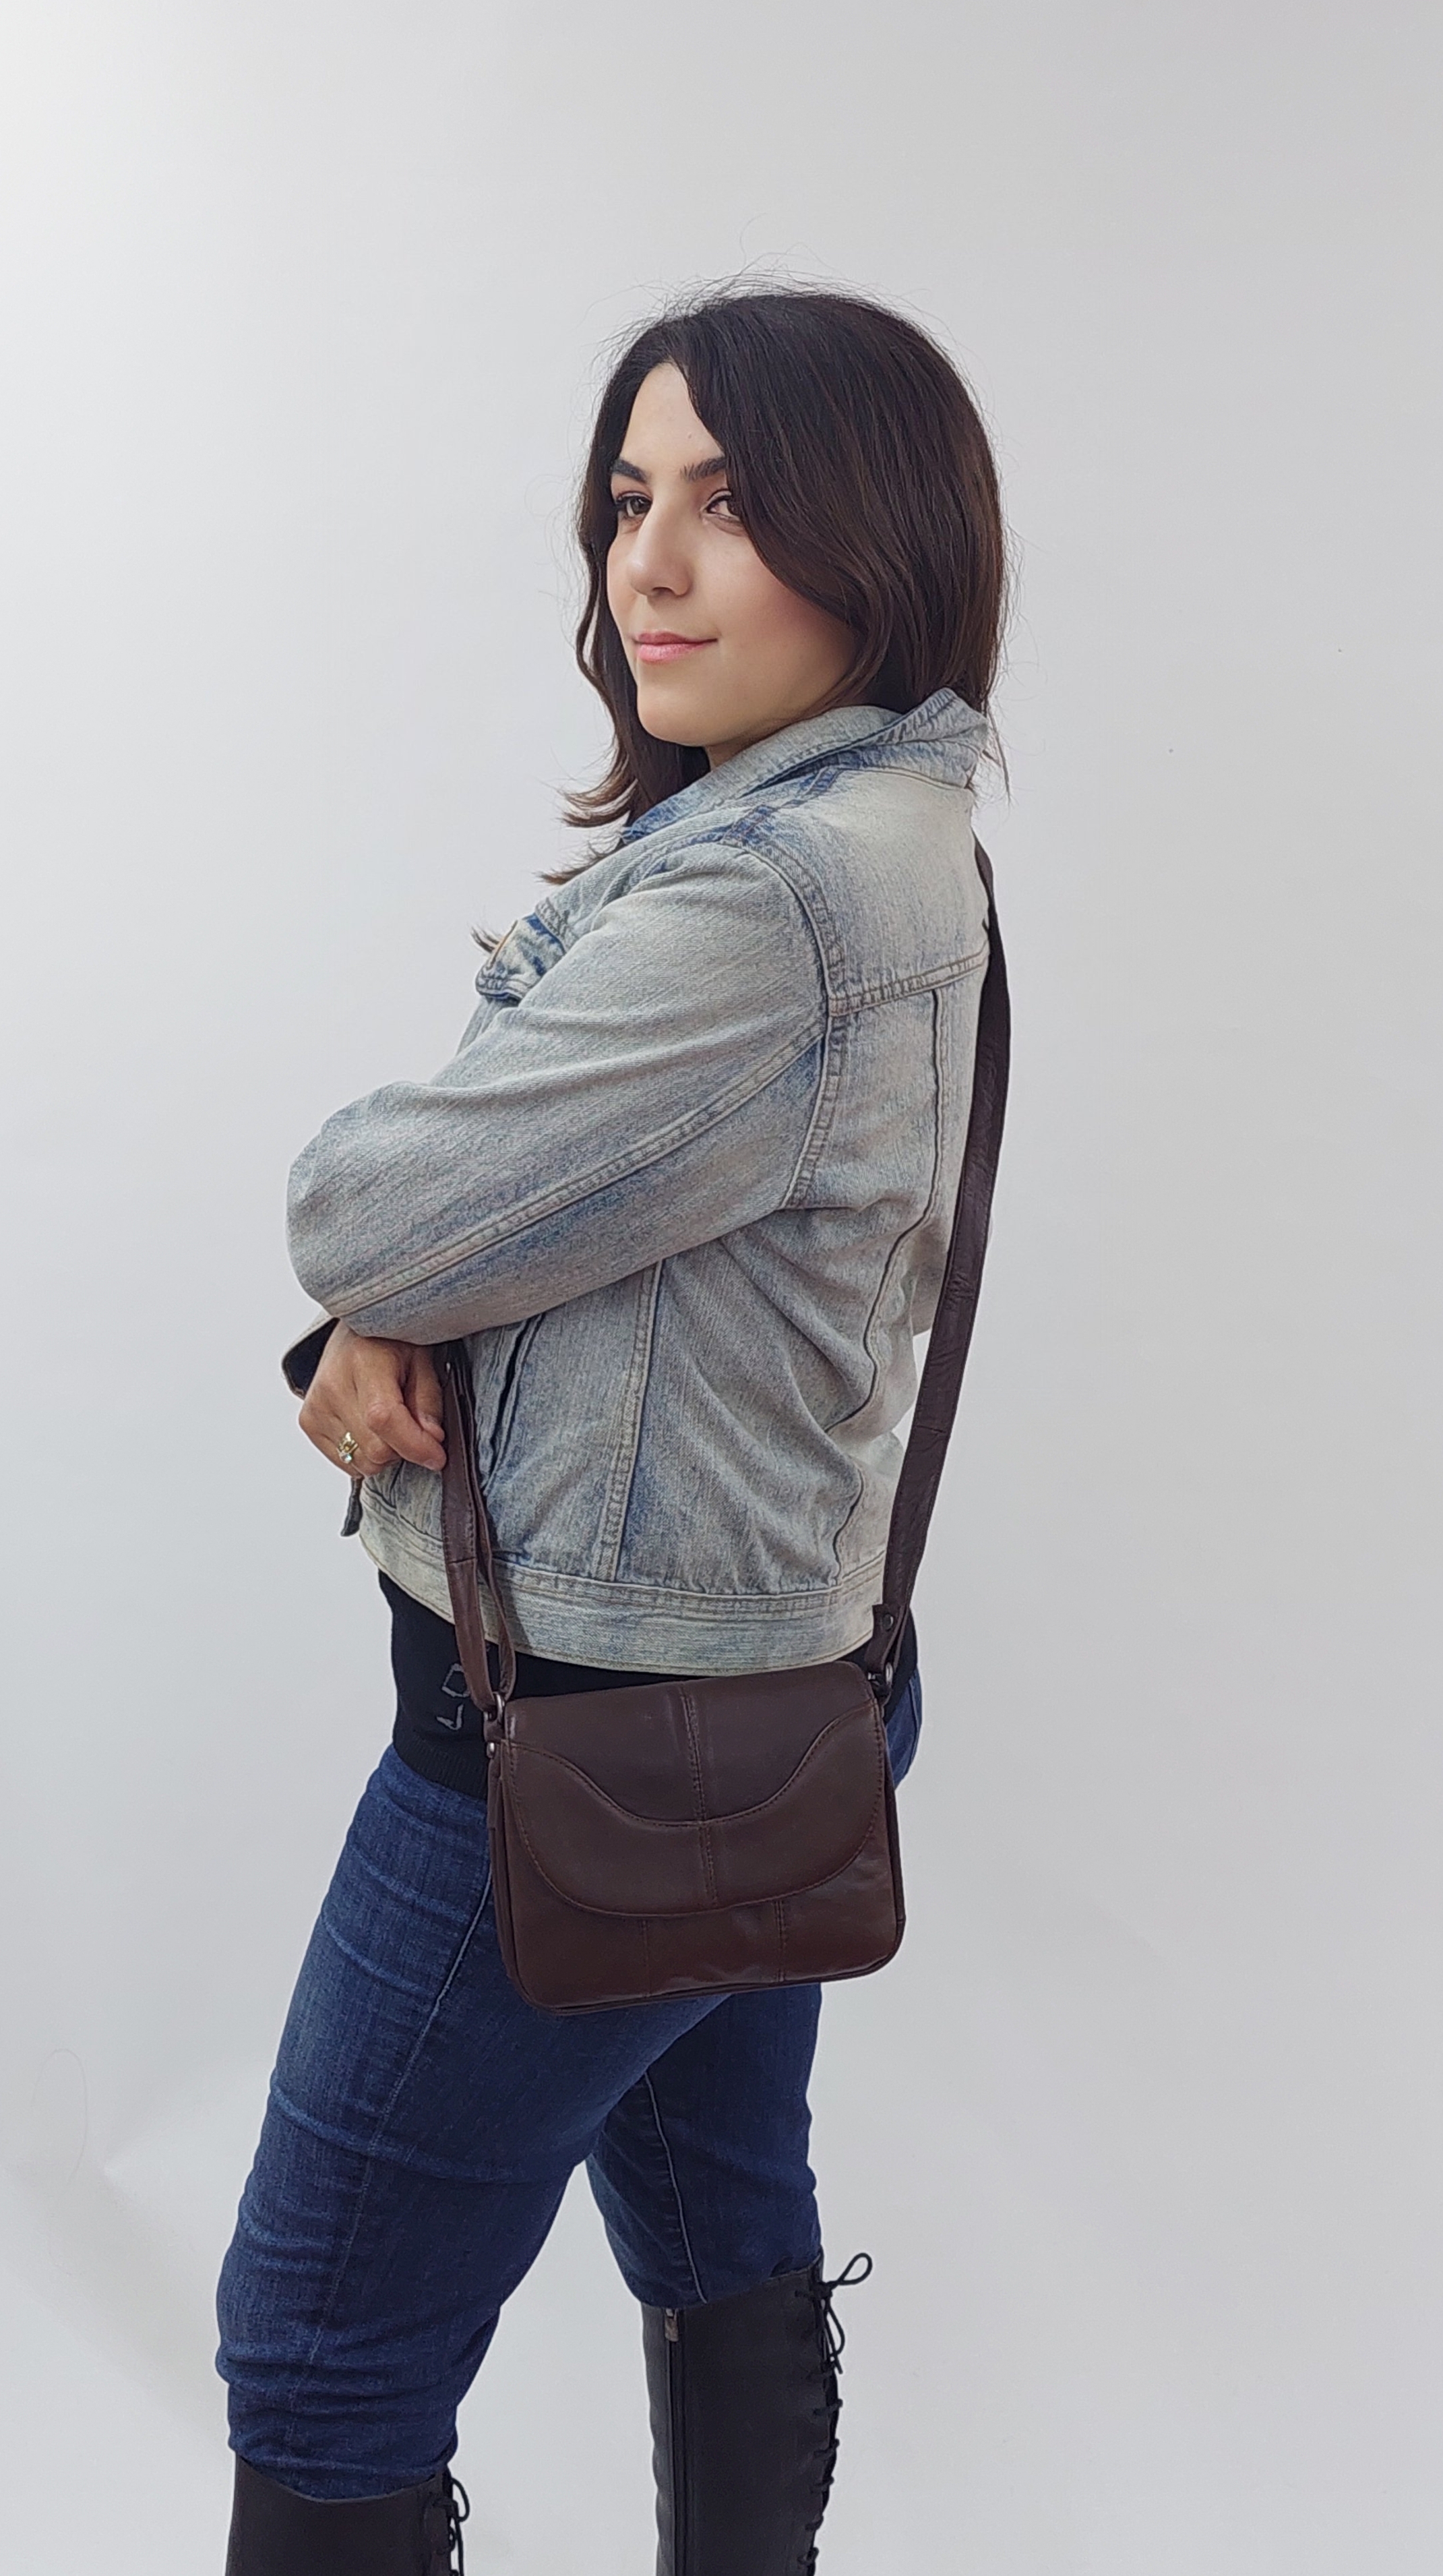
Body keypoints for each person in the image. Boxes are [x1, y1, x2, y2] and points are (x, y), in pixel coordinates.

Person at [216, 284, 1007, 2574]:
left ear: (882, 536)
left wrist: (374, 1285)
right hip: (776, 1697)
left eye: (729, 507)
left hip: (582, 1752)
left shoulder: (770, 899)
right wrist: (391, 1306)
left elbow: (369, 1201)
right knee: (725, 2222)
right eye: (628, 500)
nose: (644, 566)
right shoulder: (885, 835)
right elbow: (572, 1222)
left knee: (322, 2350)